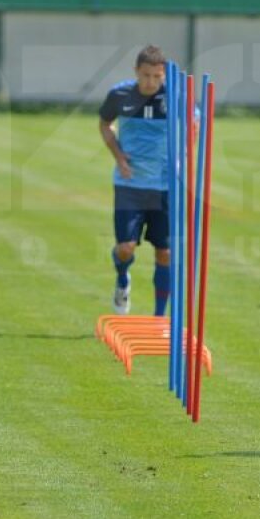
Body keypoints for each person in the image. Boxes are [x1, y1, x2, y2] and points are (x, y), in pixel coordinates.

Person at [98, 45, 171, 316]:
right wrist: (118, 156)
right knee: (126, 248)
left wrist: (186, 150)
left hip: (165, 186)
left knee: (165, 253)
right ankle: (122, 280)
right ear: (136, 72)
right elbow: (105, 124)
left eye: (156, 76)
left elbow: (195, 124)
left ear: (163, 75)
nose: (150, 82)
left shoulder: (175, 95)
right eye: (145, 75)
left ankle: (159, 317)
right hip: (130, 185)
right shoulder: (120, 95)